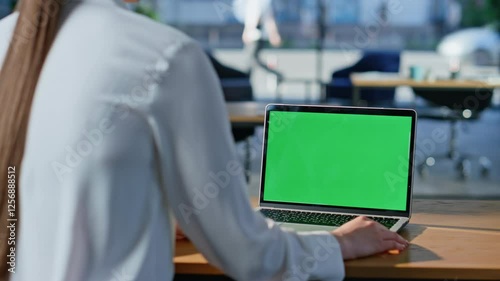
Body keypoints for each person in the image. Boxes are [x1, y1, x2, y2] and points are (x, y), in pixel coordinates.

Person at [0, 0, 408, 280]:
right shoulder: (164, 56)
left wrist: (154, 209)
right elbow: (250, 258)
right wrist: (338, 244)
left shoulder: (7, 39)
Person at [235, 0, 284, 81]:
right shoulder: (260, 2)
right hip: (255, 35)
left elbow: (258, 18)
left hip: (255, 36)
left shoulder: (258, 2)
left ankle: (275, 74)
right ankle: (245, 81)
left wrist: (248, 31)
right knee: (250, 61)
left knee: (251, 59)